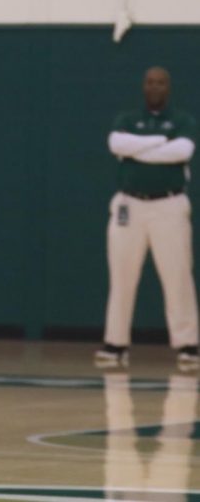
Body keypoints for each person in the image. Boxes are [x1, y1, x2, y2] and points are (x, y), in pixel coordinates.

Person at [95, 66, 199, 370]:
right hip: (130, 205)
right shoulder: (127, 119)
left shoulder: (183, 120)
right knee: (122, 275)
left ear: (169, 87)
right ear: (144, 86)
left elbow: (182, 151)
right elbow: (116, 143)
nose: (156, 87)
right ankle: (115, 343)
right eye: (151, 82)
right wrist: (158, 141)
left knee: (177, 274)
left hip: (168, 204)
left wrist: (138, 147)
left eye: (161, 82)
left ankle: (188, 345)